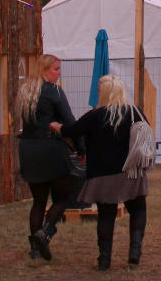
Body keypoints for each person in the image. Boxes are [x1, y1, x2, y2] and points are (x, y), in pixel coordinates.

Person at [62, 74, 150, 269]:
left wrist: (56, 126)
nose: (97, 92)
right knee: (138, 209)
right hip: (131, 172)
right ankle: (135, 250)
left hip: (103, 174)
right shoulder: (134, 111)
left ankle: (104, 259)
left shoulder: (95, 115)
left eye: (99, 89)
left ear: (106, 92)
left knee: (106, 214)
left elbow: (72, 130)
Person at [16, 54, 81, 261]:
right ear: (45, 70)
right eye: (56, 69)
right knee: (62, 198)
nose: (59, 73)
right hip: (50, 148)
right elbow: (70, 122)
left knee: (38, 201)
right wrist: (82, 149)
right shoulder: (54, 91)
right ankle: (45, 233)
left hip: (28, 149)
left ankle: (34, 249)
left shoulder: (26, 91)